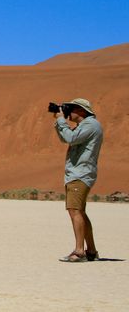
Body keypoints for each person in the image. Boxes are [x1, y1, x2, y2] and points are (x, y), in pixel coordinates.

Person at [51, 98, 104, 263]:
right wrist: (59, 122)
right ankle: (91, 251)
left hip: (80, 173)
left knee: (74, 211)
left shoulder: (90, 125)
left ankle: (80, 251)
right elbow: (65, 138)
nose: (69, 112)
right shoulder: (85, 126)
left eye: (71, 109)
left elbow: (71, 138)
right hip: (77, 173)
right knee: (79, 211)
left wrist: (61, 120)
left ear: (81, 110)